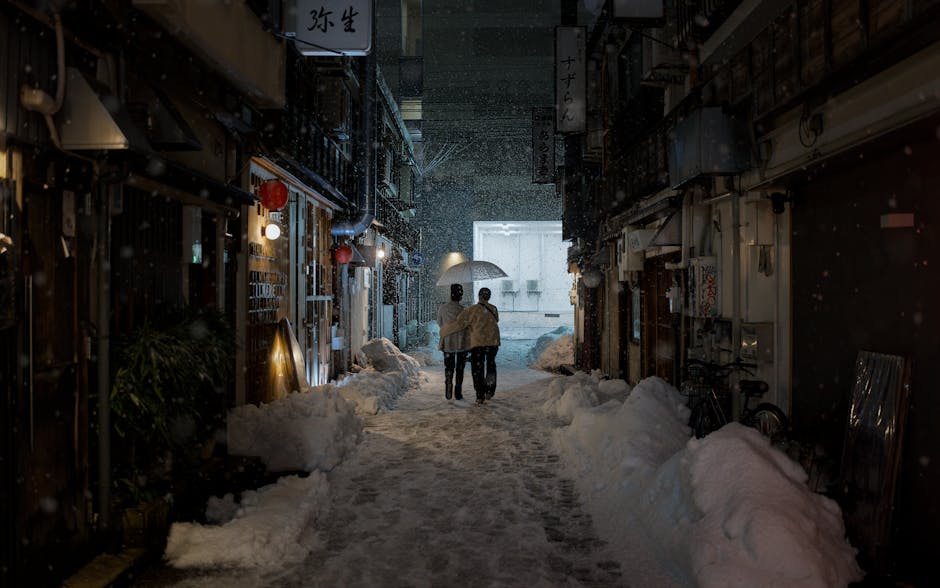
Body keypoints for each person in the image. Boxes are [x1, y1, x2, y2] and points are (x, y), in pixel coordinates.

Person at [438, 287, 500, 404]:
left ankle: (479, 395)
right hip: (493, 340)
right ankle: (490, 390)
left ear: (479, 296)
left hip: (479, 342)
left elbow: (459, 324)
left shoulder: (472, 310)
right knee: (491, 365)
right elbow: (496, 320)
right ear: (489, 297)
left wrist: (444, 331)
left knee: (478, 367)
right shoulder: (493, 308)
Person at [437, 284, 469, 401]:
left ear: (450, 294)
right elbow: (467, 326)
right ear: (461, 296)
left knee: (449, 366)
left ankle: (448, 386)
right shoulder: (464, 310)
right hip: (461, 342)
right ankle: (458, 391)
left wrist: (448, 329)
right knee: (460, 368)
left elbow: (440, 323)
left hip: (447, 342)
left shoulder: (443, 308)